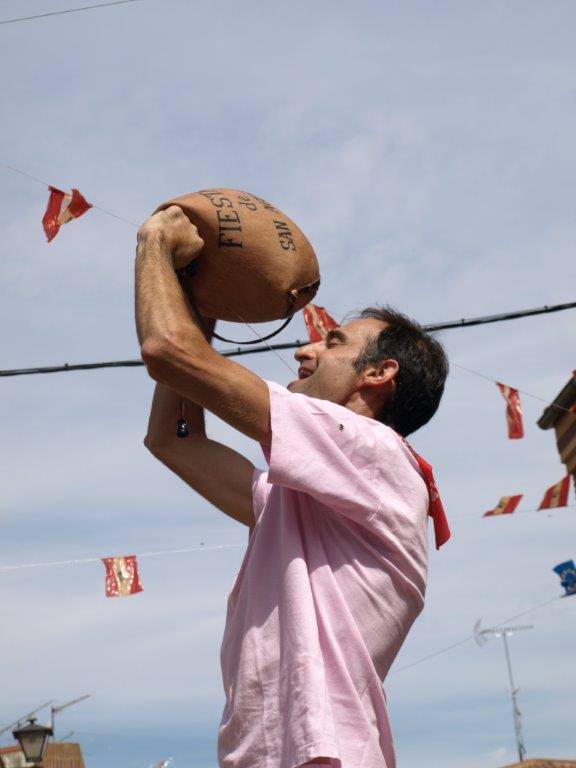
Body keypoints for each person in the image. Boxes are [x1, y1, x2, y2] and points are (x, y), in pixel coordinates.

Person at [135, 206, 450, 768]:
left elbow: (168, 352)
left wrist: (156, 243)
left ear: (379, 375)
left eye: (332, 343)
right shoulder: (307, 501)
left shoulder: (376, 453)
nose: (305, 349)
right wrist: (198, 305)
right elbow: (172, 440)